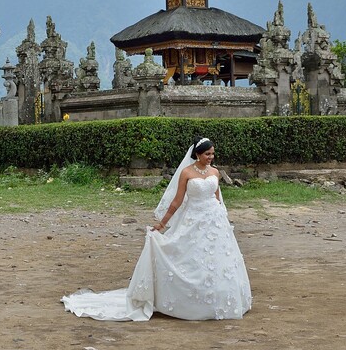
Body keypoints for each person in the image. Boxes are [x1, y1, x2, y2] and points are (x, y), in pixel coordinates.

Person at [61, 137, 252, 321]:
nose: (211, 157)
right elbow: (177, 201)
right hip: (194, 218)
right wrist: (162, 224)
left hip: (214, 219)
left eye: (212, 154)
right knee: (191, 255)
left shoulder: (215, 172)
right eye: (207, 154)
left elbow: (217, 196)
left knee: (218, 258)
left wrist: (223, 218)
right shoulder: (186, 173)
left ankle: (220, 296)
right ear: (197, 154)